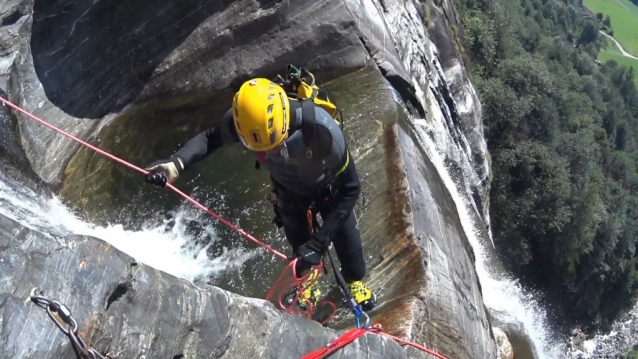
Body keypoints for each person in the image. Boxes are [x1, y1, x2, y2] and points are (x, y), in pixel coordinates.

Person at [144, 76, 376, 311]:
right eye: (261, 149)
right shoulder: (244, 122)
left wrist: (319, 243)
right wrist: (176, 164)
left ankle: (353, 283)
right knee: (300, 251)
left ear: (284, 121)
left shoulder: (321, 130)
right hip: (290, 194)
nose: (270, 152)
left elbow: (351, 188)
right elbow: (210, 137)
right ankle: (308, 282)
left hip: (330, 190)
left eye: (274, 143)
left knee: (353, 263)